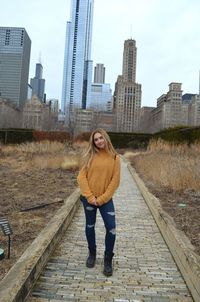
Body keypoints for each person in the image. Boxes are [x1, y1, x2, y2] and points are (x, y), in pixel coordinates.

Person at [77, 128, 120, 277]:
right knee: (90, 226)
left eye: (101, 138)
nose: (99, 141)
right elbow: (81, 178)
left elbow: (115, 181)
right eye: (96, 139)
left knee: (111, 228)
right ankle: (92, 253)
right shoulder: (89, 156)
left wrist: (101, 199)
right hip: (89, 199)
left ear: (106, 138)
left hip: (105, 200)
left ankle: (108, 260)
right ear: (93, 142)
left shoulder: (115, 157)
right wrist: (90, 197)